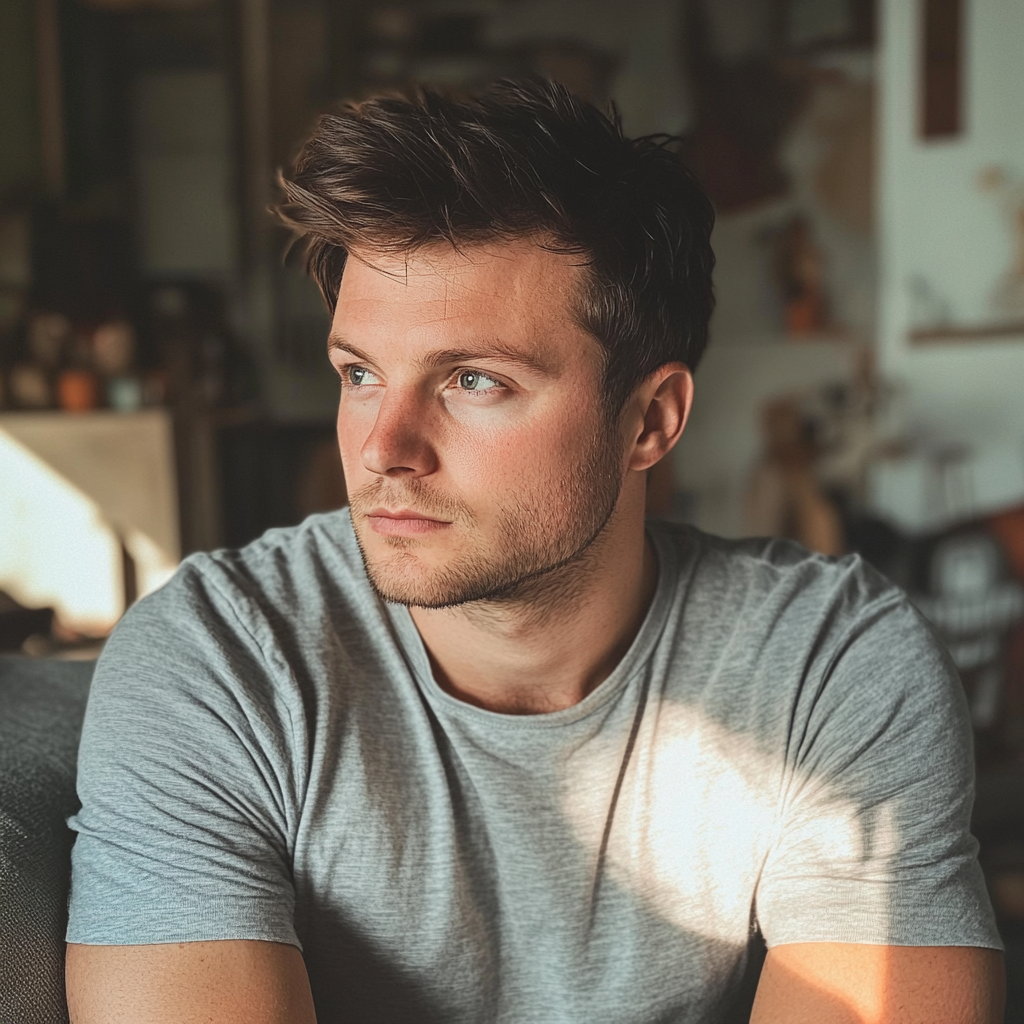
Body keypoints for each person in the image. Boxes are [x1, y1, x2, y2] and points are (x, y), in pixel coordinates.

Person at [65, 79, 1003, 1023]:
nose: (383, 449)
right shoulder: (215, 662)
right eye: (359, 374)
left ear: (649, 419)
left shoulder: (830, 665)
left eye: (474, 380)